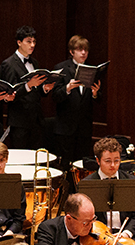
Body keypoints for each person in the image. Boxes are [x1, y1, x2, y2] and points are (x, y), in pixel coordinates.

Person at [0, 25, 54, 151]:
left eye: (34, 41)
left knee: (35, 157)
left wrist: (45, 88)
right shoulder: (8, 64)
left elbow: (36, 91)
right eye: (28, 41)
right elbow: (10, 93)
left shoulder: (34, 62)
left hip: (36, 120)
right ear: (19, 42)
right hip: (19, 121)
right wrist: (28, 85)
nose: (32, 45)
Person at [50, 35, 101, 163]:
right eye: (79, 49)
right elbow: (55, 96)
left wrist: (95, 93)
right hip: (65, 128)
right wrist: (67, 88)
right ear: (72, 52)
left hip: (84, 129)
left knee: (81, 164)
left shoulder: (92, 70)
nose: (83, 53)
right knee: (65, 164)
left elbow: (98, 100)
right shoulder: (61, 68)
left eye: (85, 50)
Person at [84, 137, 135, 239]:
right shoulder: (86, 184)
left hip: (126, 235)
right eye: (108, 161)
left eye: (116, 161)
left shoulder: (131, 181)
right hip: (97, 237)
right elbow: (83, 219)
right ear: (98, 161)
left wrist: (126, 233)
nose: (113, 165)